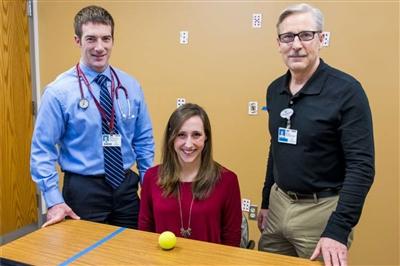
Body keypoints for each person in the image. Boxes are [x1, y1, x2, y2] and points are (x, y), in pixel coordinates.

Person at [257, 3, 374, 266]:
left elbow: (362, 167)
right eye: (288, 37)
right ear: (278, 43)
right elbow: (276, 147)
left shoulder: (347, 91)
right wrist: (266, 201)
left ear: (321, 38)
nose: (296, 44)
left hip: (321, 211)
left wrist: (338, 230)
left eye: (305, 35)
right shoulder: (274, 90)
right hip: (279, 204)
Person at [30, 5, 154, 229]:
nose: (99, 47)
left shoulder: (131, 86)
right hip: (83, 191)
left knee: (131, 256)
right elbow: (42, 150)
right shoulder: (59, 92)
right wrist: (54, 201)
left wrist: (149, 184)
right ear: (77, 40)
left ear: (112, 40)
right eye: (91, 39)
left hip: (126, 188)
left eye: (106, 39)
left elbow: (143, 140)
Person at [139, 103, 242, 246]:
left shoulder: (227, 180)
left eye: (196, 135)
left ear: (206, 137)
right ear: (171, 138)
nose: (188, 144)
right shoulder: (151, 177)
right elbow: (145, 231)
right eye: (181, 135)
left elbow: (232, 238)